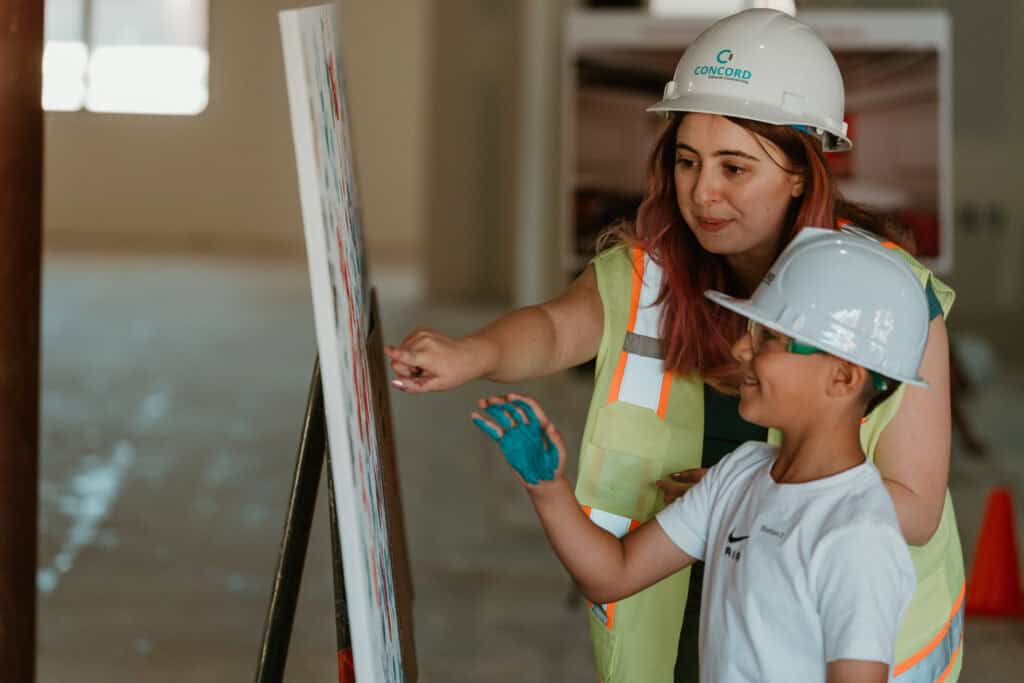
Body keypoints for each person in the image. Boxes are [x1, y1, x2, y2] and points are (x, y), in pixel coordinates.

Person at [386, 9, 964, 682]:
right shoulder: (650, 273)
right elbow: (552, 329)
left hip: (851, 629)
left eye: (735, 167)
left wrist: (763, 500)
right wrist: (470, 355)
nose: (703, 192)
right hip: (696, 589)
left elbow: (916, 507)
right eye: (687, 161)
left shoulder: (887, 298)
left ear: (802, 173)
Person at [470, 228, 932, 682]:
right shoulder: (741, 475)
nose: (740, 347)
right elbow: (612, 573)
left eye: (771, 337)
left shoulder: (856, 534)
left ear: (843, 378)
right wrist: (549, 488)